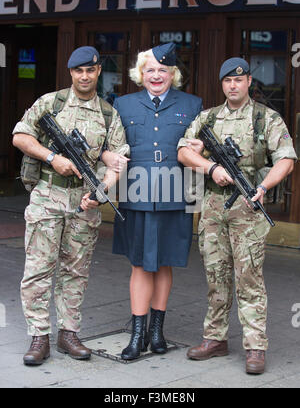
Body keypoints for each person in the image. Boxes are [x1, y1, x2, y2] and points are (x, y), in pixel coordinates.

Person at [177, 57, 297, 374]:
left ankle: (255, 346)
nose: (233, 85)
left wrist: (264, 184)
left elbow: (287, 159)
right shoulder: (208, 118)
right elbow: (183, 151)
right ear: (222, 84)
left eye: (239, 80)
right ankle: (215, 338)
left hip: (248, 206)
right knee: (216, 276)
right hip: (214, 207)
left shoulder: (265, 119)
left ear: (248, 83)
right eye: (228, 80)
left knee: (249, 278)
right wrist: (211, 167)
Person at [12, 46, 129, 366]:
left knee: (75, 271)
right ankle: (39, 336)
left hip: (84, 201)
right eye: (79, 71)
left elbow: (119, 159)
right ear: (71, 72)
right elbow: (20, 136)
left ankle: (68, 333)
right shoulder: (51, 103)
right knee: (38, 269)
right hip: (48, 195)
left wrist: (102, 190)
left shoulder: (108, 114)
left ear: (98, 72)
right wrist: (53, 158)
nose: (85, 76)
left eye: (90, 71)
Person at [108, 43, 203, 360]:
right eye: (150, 70)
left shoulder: (192, 105)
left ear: (173, 74)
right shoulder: (123, 105)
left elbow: (198, 151)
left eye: (163, 70)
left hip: (176, 190)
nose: (157, 75)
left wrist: (201, 153)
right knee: (139, 262)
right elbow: (111, 147)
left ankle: (157, 332)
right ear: (140, 74)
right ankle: (137, 335)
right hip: (136, 190)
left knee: (165, 260)